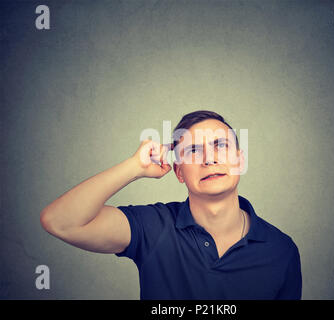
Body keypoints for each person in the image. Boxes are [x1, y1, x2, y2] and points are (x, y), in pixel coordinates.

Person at [40, 110, 302, 299]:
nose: (209, 159)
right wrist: (135, 167)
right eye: (194, 151)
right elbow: (60, 221)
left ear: (240, 160)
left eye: (220, 145)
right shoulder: (153, 226)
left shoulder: (281, 250)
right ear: (178, 172)